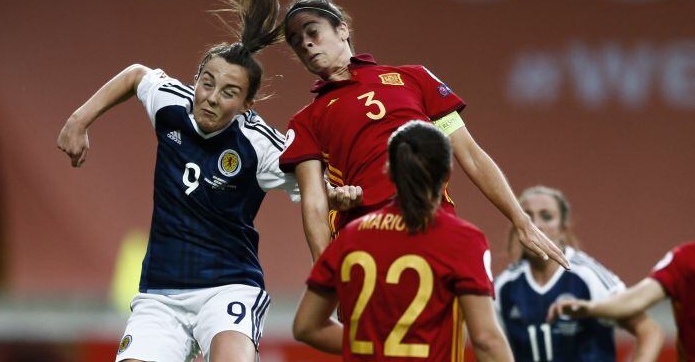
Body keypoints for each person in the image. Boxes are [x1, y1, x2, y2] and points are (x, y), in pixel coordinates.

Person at [56, 0, 298, 362]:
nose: (210, 98)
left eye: (228, 93)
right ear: (196, 78)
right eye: (207, 83)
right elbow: (136, 75)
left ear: (246, 104)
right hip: (161, 295)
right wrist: (79, 120)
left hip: (228, 288)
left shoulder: (258, 143)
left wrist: (337, 191)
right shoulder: (172, 104)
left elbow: (310, 177)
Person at [278, 0, 568, 269]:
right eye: (296, 41)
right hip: (366, 240)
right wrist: (326, 274)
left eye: (312, 32)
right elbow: (314, 202)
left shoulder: (413, 78)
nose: (305, 44)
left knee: (459, 320)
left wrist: (521, 220)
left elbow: (470, 154)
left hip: (434, 226)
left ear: (342, 29)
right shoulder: (305, 121)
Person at [292, 120, 514, 361]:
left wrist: (373, 341)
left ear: (388, 171)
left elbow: (306, 326)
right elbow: (486, 339)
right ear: (448, 171)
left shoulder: (351, 236)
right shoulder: (464, 240)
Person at [495, 186, 663, 362]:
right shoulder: (504, 286)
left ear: (563, 228)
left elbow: (650, 331)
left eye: (546, 216)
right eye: (527, 217)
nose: (536, 225)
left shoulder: (587, 276)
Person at [549, 240, 695, 362]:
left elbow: (650, 330)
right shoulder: (686, 259)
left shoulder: (583, 272)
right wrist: (590, 308)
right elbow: (637, 299)